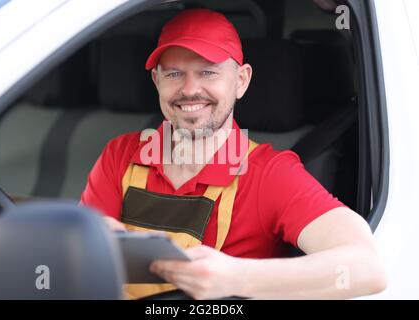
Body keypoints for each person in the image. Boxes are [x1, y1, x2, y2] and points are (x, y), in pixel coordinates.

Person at [80, 8, 386, 299]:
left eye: (208, 72)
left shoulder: (269, 173)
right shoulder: (120, 154)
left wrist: (235, 277)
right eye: (174, 74)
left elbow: (367, 268)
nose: (189, 89)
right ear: (156, 81)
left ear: (241, 81)